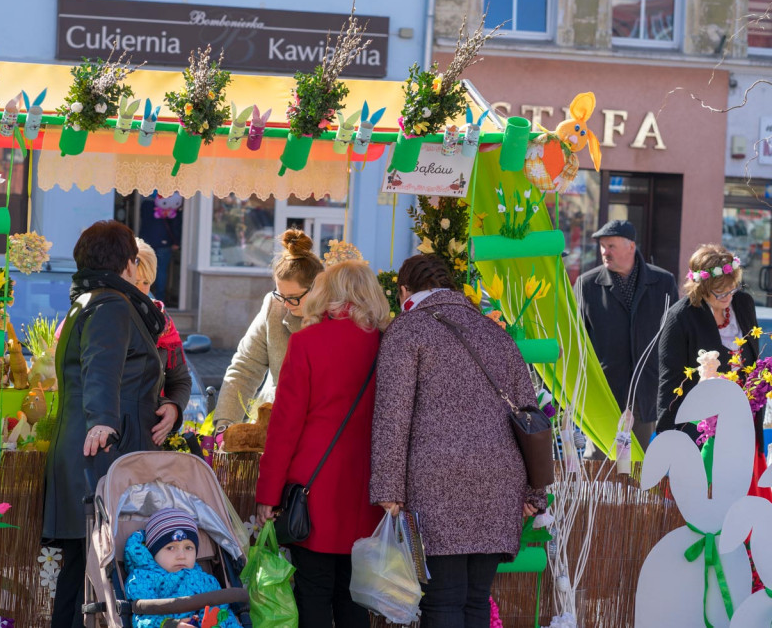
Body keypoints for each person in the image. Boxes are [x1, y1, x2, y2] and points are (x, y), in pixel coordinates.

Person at [370, 253, 546, 628]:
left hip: (437, 482)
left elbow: (391, 416)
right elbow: (531, 417)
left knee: (444, 599)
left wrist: (387, 486)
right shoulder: (493, 332)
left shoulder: (407, 330)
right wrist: (535, 491)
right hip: (500, 480)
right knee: (475, 600)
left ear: (404, 290)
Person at [43, 220, 171, 628]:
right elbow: (102, 366)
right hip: (101, 456)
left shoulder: (88, 299)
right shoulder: (110, 304)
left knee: (80, 572)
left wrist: (169, 406)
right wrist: (103, 422)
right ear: (130, 265)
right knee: (92, 575)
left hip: (89, 453)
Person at [255, 260, 388, 628]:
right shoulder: (387, 345)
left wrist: (268, 494)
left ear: (326, 294)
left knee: (312, 591)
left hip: (313, 493)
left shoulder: (306, 342)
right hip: (368, 492)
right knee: (354, 595)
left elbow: (285, 427)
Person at [575, 219, 678, 455]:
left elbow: (673, 339)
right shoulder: (587, 285)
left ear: (630, 246)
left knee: (636, 467)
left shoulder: (663, 283)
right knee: (598, 463)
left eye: (611, 246)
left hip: (645, 394)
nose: (604, 252)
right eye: (602, 246)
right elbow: (577, 339)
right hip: (603, 393)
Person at [214, 229, 323, 432]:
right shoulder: (274, 305)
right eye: (281, 295)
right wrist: (225, 426)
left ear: (318, 288)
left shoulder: (337, 317)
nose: (287, 304)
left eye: (294, 297)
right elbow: (244, 368)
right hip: (272, 426)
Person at [657, 245, 760, 444]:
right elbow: (669, 381)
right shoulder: (680, 317)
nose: (728, 297)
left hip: (743, 421)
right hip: (700, 428)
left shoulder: (743, 303)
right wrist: (668, 437)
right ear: (701, 287)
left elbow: (753, 361)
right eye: (720, 292)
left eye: (733, 288)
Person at [124, 508, 243, 628]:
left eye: (188, 548)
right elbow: (142, 617)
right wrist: (170, 624)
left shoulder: (206, 580)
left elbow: (222, 614)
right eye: (170, 548)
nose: (182, 556)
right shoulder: (141, 579)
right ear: (153, 552)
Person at [136, 238, 192, 427]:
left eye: (145, 282)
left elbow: (181, 380)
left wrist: (173, 408)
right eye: (134, 281)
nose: (140, 289)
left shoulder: (163, 320)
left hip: (152, 431)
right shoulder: (98, 316)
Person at [139, 192, 183, 303]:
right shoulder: (171, 204)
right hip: (164, 242)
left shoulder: (146, 205)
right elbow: (175, 225)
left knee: (144, 270)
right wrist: (176, 241)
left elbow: (143, 218)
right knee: (161, 271)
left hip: (146, 243)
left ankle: (145, 298)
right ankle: (159, 299)